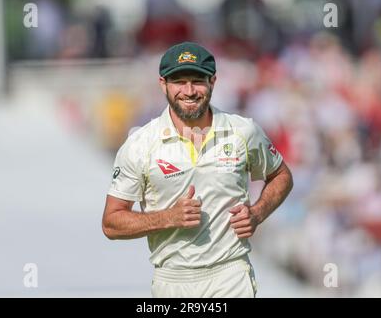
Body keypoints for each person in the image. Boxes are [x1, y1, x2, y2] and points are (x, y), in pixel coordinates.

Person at [102, 42, 293, 298]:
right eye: (179, 81)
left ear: (212, 82)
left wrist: (257, 213)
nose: (189, 91)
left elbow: (281, 175)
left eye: (197, 80)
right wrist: (168, 217)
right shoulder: (140, 144)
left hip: (230, 274)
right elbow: (111, 222)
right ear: (163, 84)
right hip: (172, 278)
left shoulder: (243, 131)